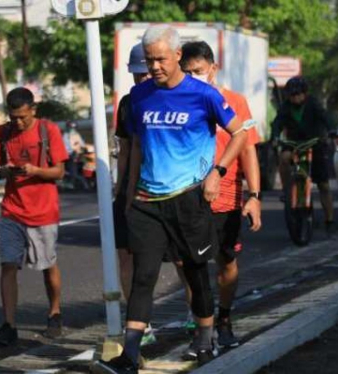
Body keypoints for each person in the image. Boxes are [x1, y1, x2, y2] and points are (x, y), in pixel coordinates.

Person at [93, 25, 247, 373]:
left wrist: (217, 172)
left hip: (189, 199)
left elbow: (239, 133)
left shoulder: (202, 94)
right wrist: (126, 197)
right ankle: (129, 355)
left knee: (194, 272)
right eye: (150, 60)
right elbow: (132, 149)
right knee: (143, 276)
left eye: (161, 59)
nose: (155, 66)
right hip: (148, 202)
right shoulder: (140, 98)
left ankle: (206, 337)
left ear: (177, 55)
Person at [178, 40, 262, 357]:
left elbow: (248, 148)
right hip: (189, 199)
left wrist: (253, 196)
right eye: (187, 72)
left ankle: (224, 319)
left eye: (198, 71)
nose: (194, 78)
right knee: (193, 266)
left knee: (226, 265)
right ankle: (203, 329)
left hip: (227, 199)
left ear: (213, 68)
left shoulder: (235, 102)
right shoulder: (179, 102)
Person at [0, 87, 68, 346]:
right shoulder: (3, 133)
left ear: (33, 110)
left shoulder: (48, 131)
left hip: (43, 211)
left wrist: (34, 170)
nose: (19, 122)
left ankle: (54, 313)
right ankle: (9, 325)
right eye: (14, 118)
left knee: (47, 265)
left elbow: (59, 172)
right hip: (12, 210)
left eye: (23, 117)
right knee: (8, 265)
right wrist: (5, 171)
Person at [113, 42, 156, 347]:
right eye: (136, 74)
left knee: (182, 262)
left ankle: (200, 320)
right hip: (132, 188)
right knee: (125, 256)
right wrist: (119, 190)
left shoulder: (168, 99)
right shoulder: (127, 103)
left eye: (145, 73)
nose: (141, 79)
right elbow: (125, 149)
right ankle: (142, 326)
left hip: (165, 188)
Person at [271, 76, 335, 234]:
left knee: (324, 185)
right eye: (291, 95)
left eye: (298, 94)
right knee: (284, 158)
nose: (295, 97)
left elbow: (325, 117)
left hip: (315, 142)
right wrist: (275, 137)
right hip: (294, 143)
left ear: (305, 94)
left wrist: (331, 131)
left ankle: (329, 219)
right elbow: (278, 122)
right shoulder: (285, 107)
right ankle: (287, 190)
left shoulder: (313, 103)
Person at [62, 121, 87, 189]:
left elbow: (82, 143)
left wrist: (83, 148)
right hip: (71, 156)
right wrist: (72, 151)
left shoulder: (77, 134)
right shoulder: (66, 135)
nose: (73, 130)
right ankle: (71, 183)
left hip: (79, 155)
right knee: (73, 170)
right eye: (71, 128)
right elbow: (66, 147)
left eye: (74, 128)